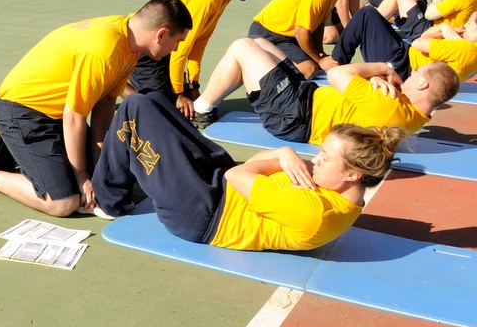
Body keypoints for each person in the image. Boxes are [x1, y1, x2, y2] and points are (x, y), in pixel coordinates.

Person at [90, 90, 405, 254]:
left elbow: (238, 175)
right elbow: (247, 169)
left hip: (203, 213)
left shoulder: (315, 211)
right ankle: (120, 166)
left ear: (353, 174)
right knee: (155, 101)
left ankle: (107, 200)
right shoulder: (334, 184)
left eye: (326, 156)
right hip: (219, 187)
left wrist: (281, 157)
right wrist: (282, 155)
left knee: (134, 108)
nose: (317, 160)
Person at [0, 0, 193, 217]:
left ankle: (20, 153)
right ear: (161, 34)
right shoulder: (104, 49)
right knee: (64, 202)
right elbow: (74, 116)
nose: (175, 50)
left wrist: (97, 164)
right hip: (24, 113)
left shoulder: (130, 41)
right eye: (178, 42)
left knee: (104, 174)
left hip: (55, 113)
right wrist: (82, 175)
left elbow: (105, 101)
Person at [189, 36, 459, 142]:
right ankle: (210, 103)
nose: (410, 75)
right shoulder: (410, 113)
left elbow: (336, 74)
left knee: (241, 47)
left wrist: (385, 68)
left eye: (417, 74)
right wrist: (373, 80)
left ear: (423, 84)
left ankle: (201, 109)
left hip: (294, 115)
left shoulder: (392, 108)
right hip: (304, 98)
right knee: (259, 42)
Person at [129, 0, 261, 117]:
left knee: (179, 104)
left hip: (166, 48)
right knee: (164, 110)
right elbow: (181, 50)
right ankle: (123, 78)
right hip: (148, 49)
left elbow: (199, 42)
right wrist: (178, 95)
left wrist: (193, 86)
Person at [248, 0, 369, 78]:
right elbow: (301, 32)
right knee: (309, 69)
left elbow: (319, 24)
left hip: (288, 36)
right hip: (268, 34)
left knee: (318, 64)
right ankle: (263, 69)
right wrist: (319, 60)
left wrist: (320, 53)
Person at [333, 6, 477, 82]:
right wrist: (441, 29)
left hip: (400, 64)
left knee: (366, 13)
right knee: (374, 18)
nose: (466, 26)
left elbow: (417, 43)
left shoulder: (465, 48)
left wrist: (445, 28)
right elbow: (424, 37)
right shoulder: (469, 50)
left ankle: (336, 61)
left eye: (470, 24)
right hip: (405, 59)